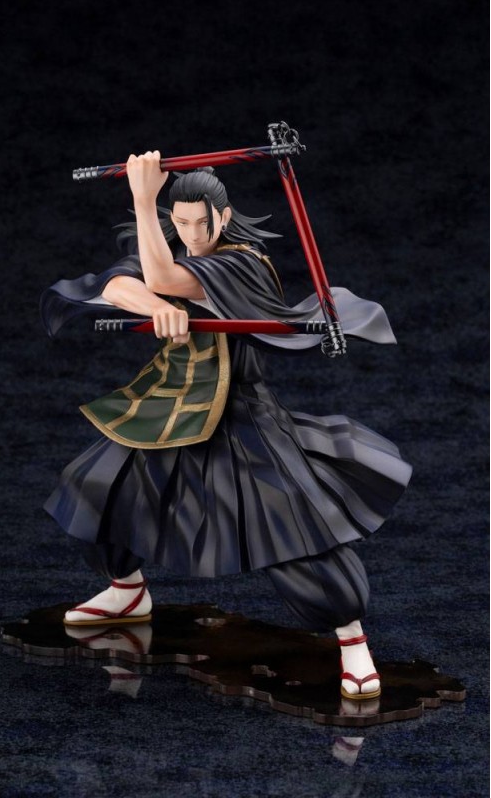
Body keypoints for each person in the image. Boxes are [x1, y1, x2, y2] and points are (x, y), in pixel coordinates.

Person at [40, 152, 412, 700]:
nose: (192, 235)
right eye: (180, 222)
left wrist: (143, 201)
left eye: (201, 222)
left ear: (224, 216)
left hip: (241, 416)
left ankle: (353, 643)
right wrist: (154, 305)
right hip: (169, 406)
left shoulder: (243, 263)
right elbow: (117, 282)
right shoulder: (167, 247)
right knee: (95, 489)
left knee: (291, 527)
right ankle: (127, 591)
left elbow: (166, 276)